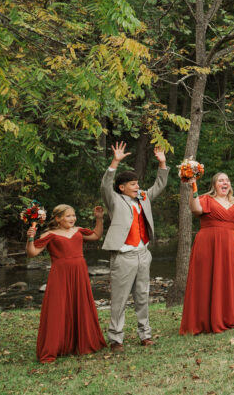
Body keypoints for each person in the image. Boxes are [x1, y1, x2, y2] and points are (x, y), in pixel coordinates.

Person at [100, 141, 169, 352]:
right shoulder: (114, 200)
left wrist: (162, 163)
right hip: (124, 255)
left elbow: (160, 185)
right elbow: (105, 185)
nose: (137, 186)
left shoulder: (143, 198)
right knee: (119, 299)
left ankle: (145, 335)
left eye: (137, 183)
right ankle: (116, 339)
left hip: (143, 254)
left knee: (142, 295)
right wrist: (115, 162)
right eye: (132, 184)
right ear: (122, 187)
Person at [27, 203, 106, 362]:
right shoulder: (50, 234)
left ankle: (81, 343)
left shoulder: (78, 230)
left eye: (73, 215)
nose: (72, 218)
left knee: (80, 305)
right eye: (68, 216)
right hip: (60, 274)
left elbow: (96, 235)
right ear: (58, 218)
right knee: (58, 308)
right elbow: (32, 253)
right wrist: (30, 238)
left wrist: (99, 219)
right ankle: (56, 346)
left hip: (79, 273)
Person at [179, 173, 234, 335]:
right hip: (207, 244)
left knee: (227, 279)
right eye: (221, 180)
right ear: (214, 184)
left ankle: (226, 317)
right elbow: (195, 208)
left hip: (230, 246)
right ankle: (203, 320)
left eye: (227, 180)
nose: (225, 182)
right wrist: (193, 188)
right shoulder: (205, 199)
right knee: (205, 279)